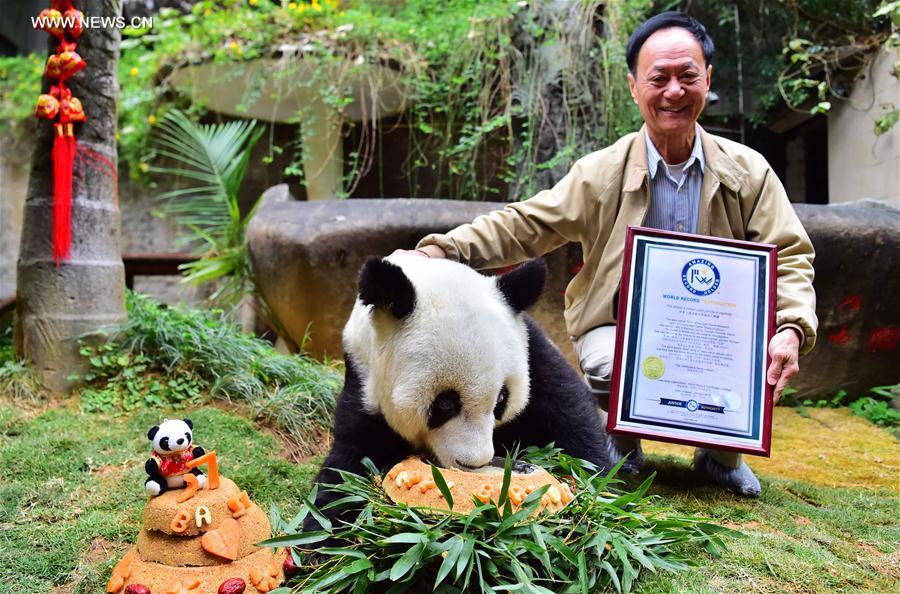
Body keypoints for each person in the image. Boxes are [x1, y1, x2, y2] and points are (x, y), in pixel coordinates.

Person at [394, 12, 817, 497]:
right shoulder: (602, 173)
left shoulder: (749, 172)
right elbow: (528, 223)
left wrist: (790, 327)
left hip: (717, 335)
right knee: (613, 364)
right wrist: (443, 249)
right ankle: (621, 439)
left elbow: (790, 254)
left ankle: (721, 457)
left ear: (708, 80)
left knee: (752, 360)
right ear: (635, 86)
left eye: (688, 76)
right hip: (620, 326)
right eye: (659, 78)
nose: (674, 90)